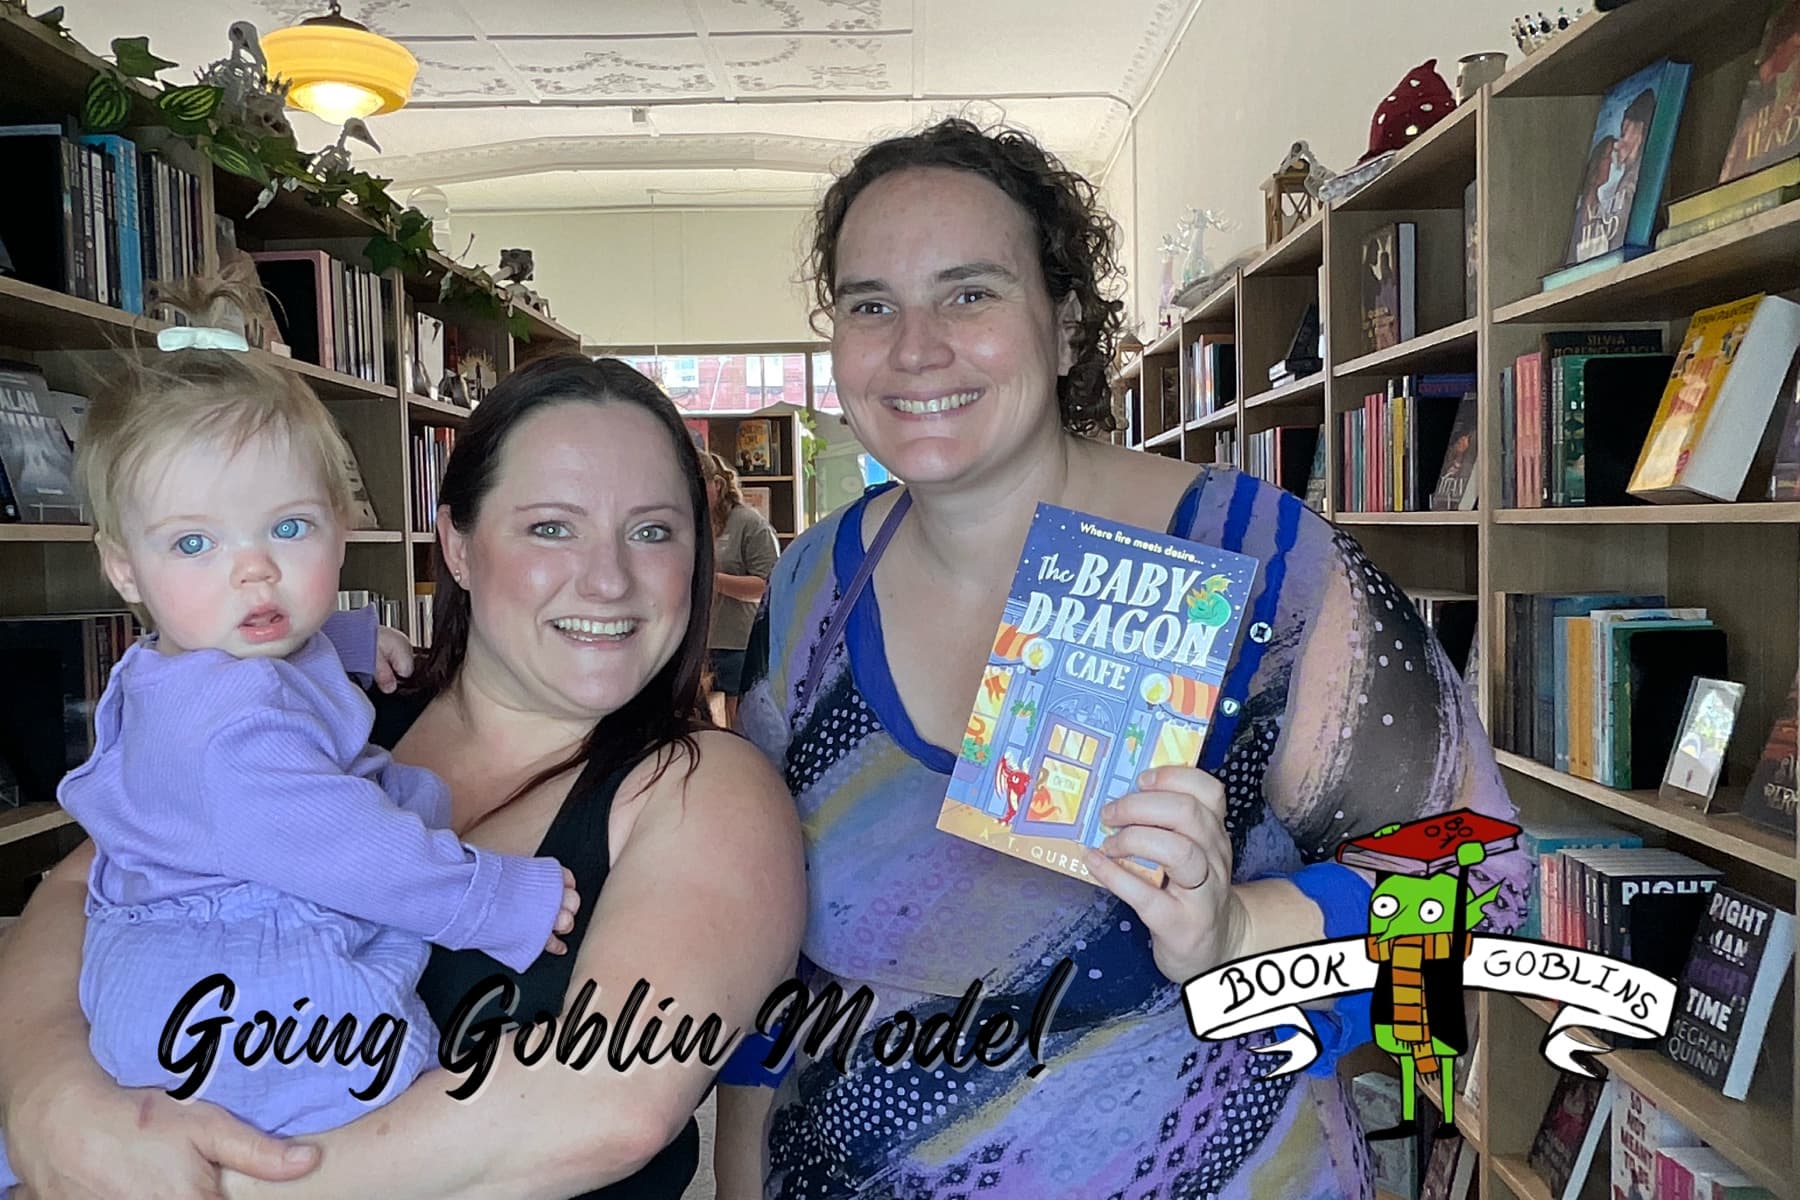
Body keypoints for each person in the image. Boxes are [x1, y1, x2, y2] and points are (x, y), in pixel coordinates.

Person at [713, 118, 1528, 1200]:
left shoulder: (1259, 561)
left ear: (1061, 325)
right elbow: (768, 953)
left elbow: (1485, 877)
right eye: (871, 304)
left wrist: (1241, 928)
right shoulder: (813, 592)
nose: (915, 348)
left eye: (970, 293)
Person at [0, 355, 807, 1200]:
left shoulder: (707, 790)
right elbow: (81, 889)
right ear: (455, 543)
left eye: (652, 530)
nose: (607, 578)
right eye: (550, 527)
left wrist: (188, 1188)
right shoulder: (296, 699)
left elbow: (603, 1105)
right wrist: (49, 1095)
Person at [0, 310, 584, 1192]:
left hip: (168, 963)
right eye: (195, 543)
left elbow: (269, 656)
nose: (255, 572)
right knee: (356, 1114)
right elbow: (351, 850)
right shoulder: (232, 734)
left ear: (341, 527)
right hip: (242, 988)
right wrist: (490, 898)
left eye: (290, 528)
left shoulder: (204, 656)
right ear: (125, 570)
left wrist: (348, 636)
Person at [703, 451, 781, 725]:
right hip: (698, 642)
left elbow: (767, 585)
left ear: (718, 485)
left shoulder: (749, 523)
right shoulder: (687, 522)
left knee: (741, 724)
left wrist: (713, 580)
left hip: (739, 643)